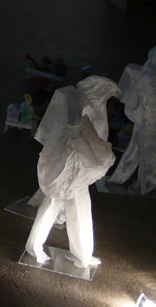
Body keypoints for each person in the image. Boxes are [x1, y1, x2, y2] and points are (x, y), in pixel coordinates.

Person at [24, 84, 116, 269]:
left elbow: (92, 141)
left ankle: (82, 255)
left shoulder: (85, 116)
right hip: (67, 170)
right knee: (54, 206)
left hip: (77, 171)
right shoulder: (78, 116)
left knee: (79, 209)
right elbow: (83, 139)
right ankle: (35, 247)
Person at [107, 45, 156, 195]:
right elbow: (153, 104)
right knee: (149, 154)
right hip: (149, 122)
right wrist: (155, 120)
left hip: (143, 120)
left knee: (134, 150)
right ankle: (146, 185)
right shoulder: (154, 77)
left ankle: (119, 178)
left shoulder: (148, 72)